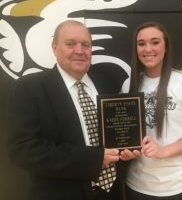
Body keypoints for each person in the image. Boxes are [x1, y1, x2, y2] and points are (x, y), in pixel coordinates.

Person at [7, 20, 133, 200]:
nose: (79, 51)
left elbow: (117, 131)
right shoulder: (29, 88)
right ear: (54, 47)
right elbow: (22, 150)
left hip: (112, 193)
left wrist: (126, 149)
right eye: (70, 44)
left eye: (86, 45)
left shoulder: (107, 82)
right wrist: (93, 160)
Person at [123, 21, 182, 200]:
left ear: (166, 46)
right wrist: (125, 150)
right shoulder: (129, 85)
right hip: (137, 184)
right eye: (141, 43)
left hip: (176, 185)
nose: (148, 49)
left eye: (155, 42)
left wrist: (163, 151)